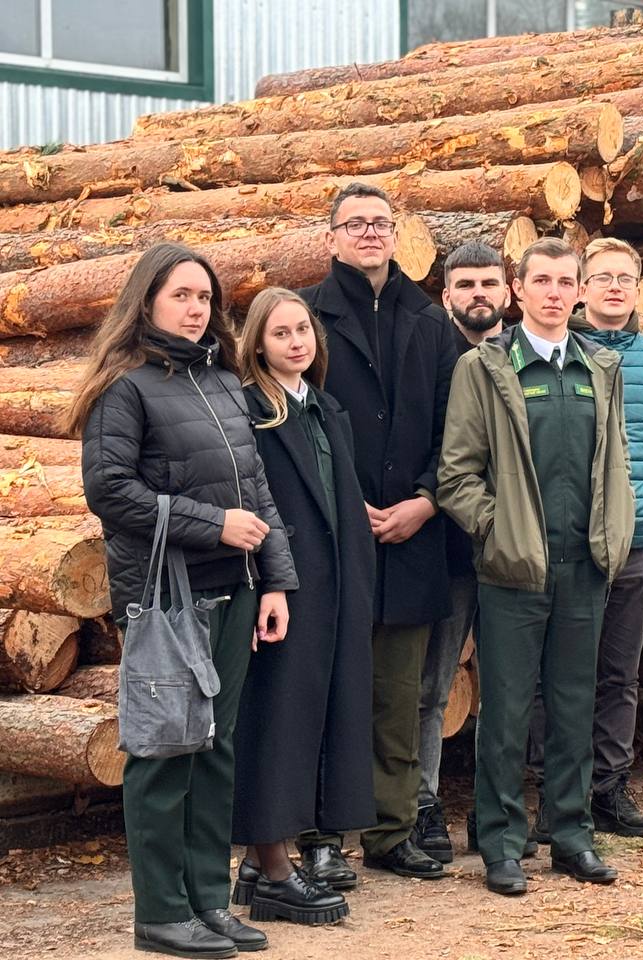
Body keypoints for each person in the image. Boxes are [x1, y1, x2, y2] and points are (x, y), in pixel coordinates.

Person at [69, 243, 297, 959]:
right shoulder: (126, 386)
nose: (198, 309)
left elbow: (256, 489)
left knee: (217, 747)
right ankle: (161, 913)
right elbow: (110, 492)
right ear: (148, 302)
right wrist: (213, 526)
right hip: (167, 599)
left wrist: (277, 579)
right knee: (165, 750)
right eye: (182, 296)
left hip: (236, 589)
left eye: (206, 298)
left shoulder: (225, 381)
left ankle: (206, 901)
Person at [438, 238, 635, 896]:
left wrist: (614, 531)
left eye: (564, 281)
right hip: (513, 571)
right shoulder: (487, 367)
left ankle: (571, 832)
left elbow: (616, 461)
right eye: (541, 281)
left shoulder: (599, 366)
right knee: (508, 712)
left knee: (576, 705)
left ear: (579, 290)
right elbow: (457, 474)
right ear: (517, 290)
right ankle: (500, 840)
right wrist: (498, 533)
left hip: (583, 566)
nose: (554, 292)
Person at [297, 183, 457, 883]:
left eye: (381, 224)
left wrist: (425, 501)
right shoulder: (305, 314)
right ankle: (320, 836)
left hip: (413, 539)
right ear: (330, 238)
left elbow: (459, 431)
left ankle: (392, 833)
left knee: (398, 696)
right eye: (354, 224)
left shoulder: (429, 321)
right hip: (333, 540)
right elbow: (287, 419)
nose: (369, 234)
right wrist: (343, 503)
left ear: (397, 236)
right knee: (327, 690)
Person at [527, 237, 643, 839]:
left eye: (626, 277)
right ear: (581, 288)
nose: (614, 287)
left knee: (619, 672)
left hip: (637, 537)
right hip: (569, 538)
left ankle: (608, 788)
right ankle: (552, 789)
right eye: (602, 277)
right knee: (558, 672)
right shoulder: (561, 352)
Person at [228, 288, 376, 925]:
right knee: (277, 719)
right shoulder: (252, 413)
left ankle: (264, 866)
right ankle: (274, 865)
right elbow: (258, 507)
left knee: (320, 717)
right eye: (281, 333)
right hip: (284, 589)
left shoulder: (326, 410)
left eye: (304, 331)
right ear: (258, 342)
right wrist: (269, 583)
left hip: (338, 584)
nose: (297, 342)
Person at [414, 240, 509, 864]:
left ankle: (495, 810)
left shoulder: (526, 355)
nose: (479, 293)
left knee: (508, 685)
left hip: (513, 549)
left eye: (489, 283)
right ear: (447, 293)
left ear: (508, 292)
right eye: (466, 283)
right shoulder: (427, 351)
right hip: (443, 547)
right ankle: (421, 805)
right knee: (432, 684)